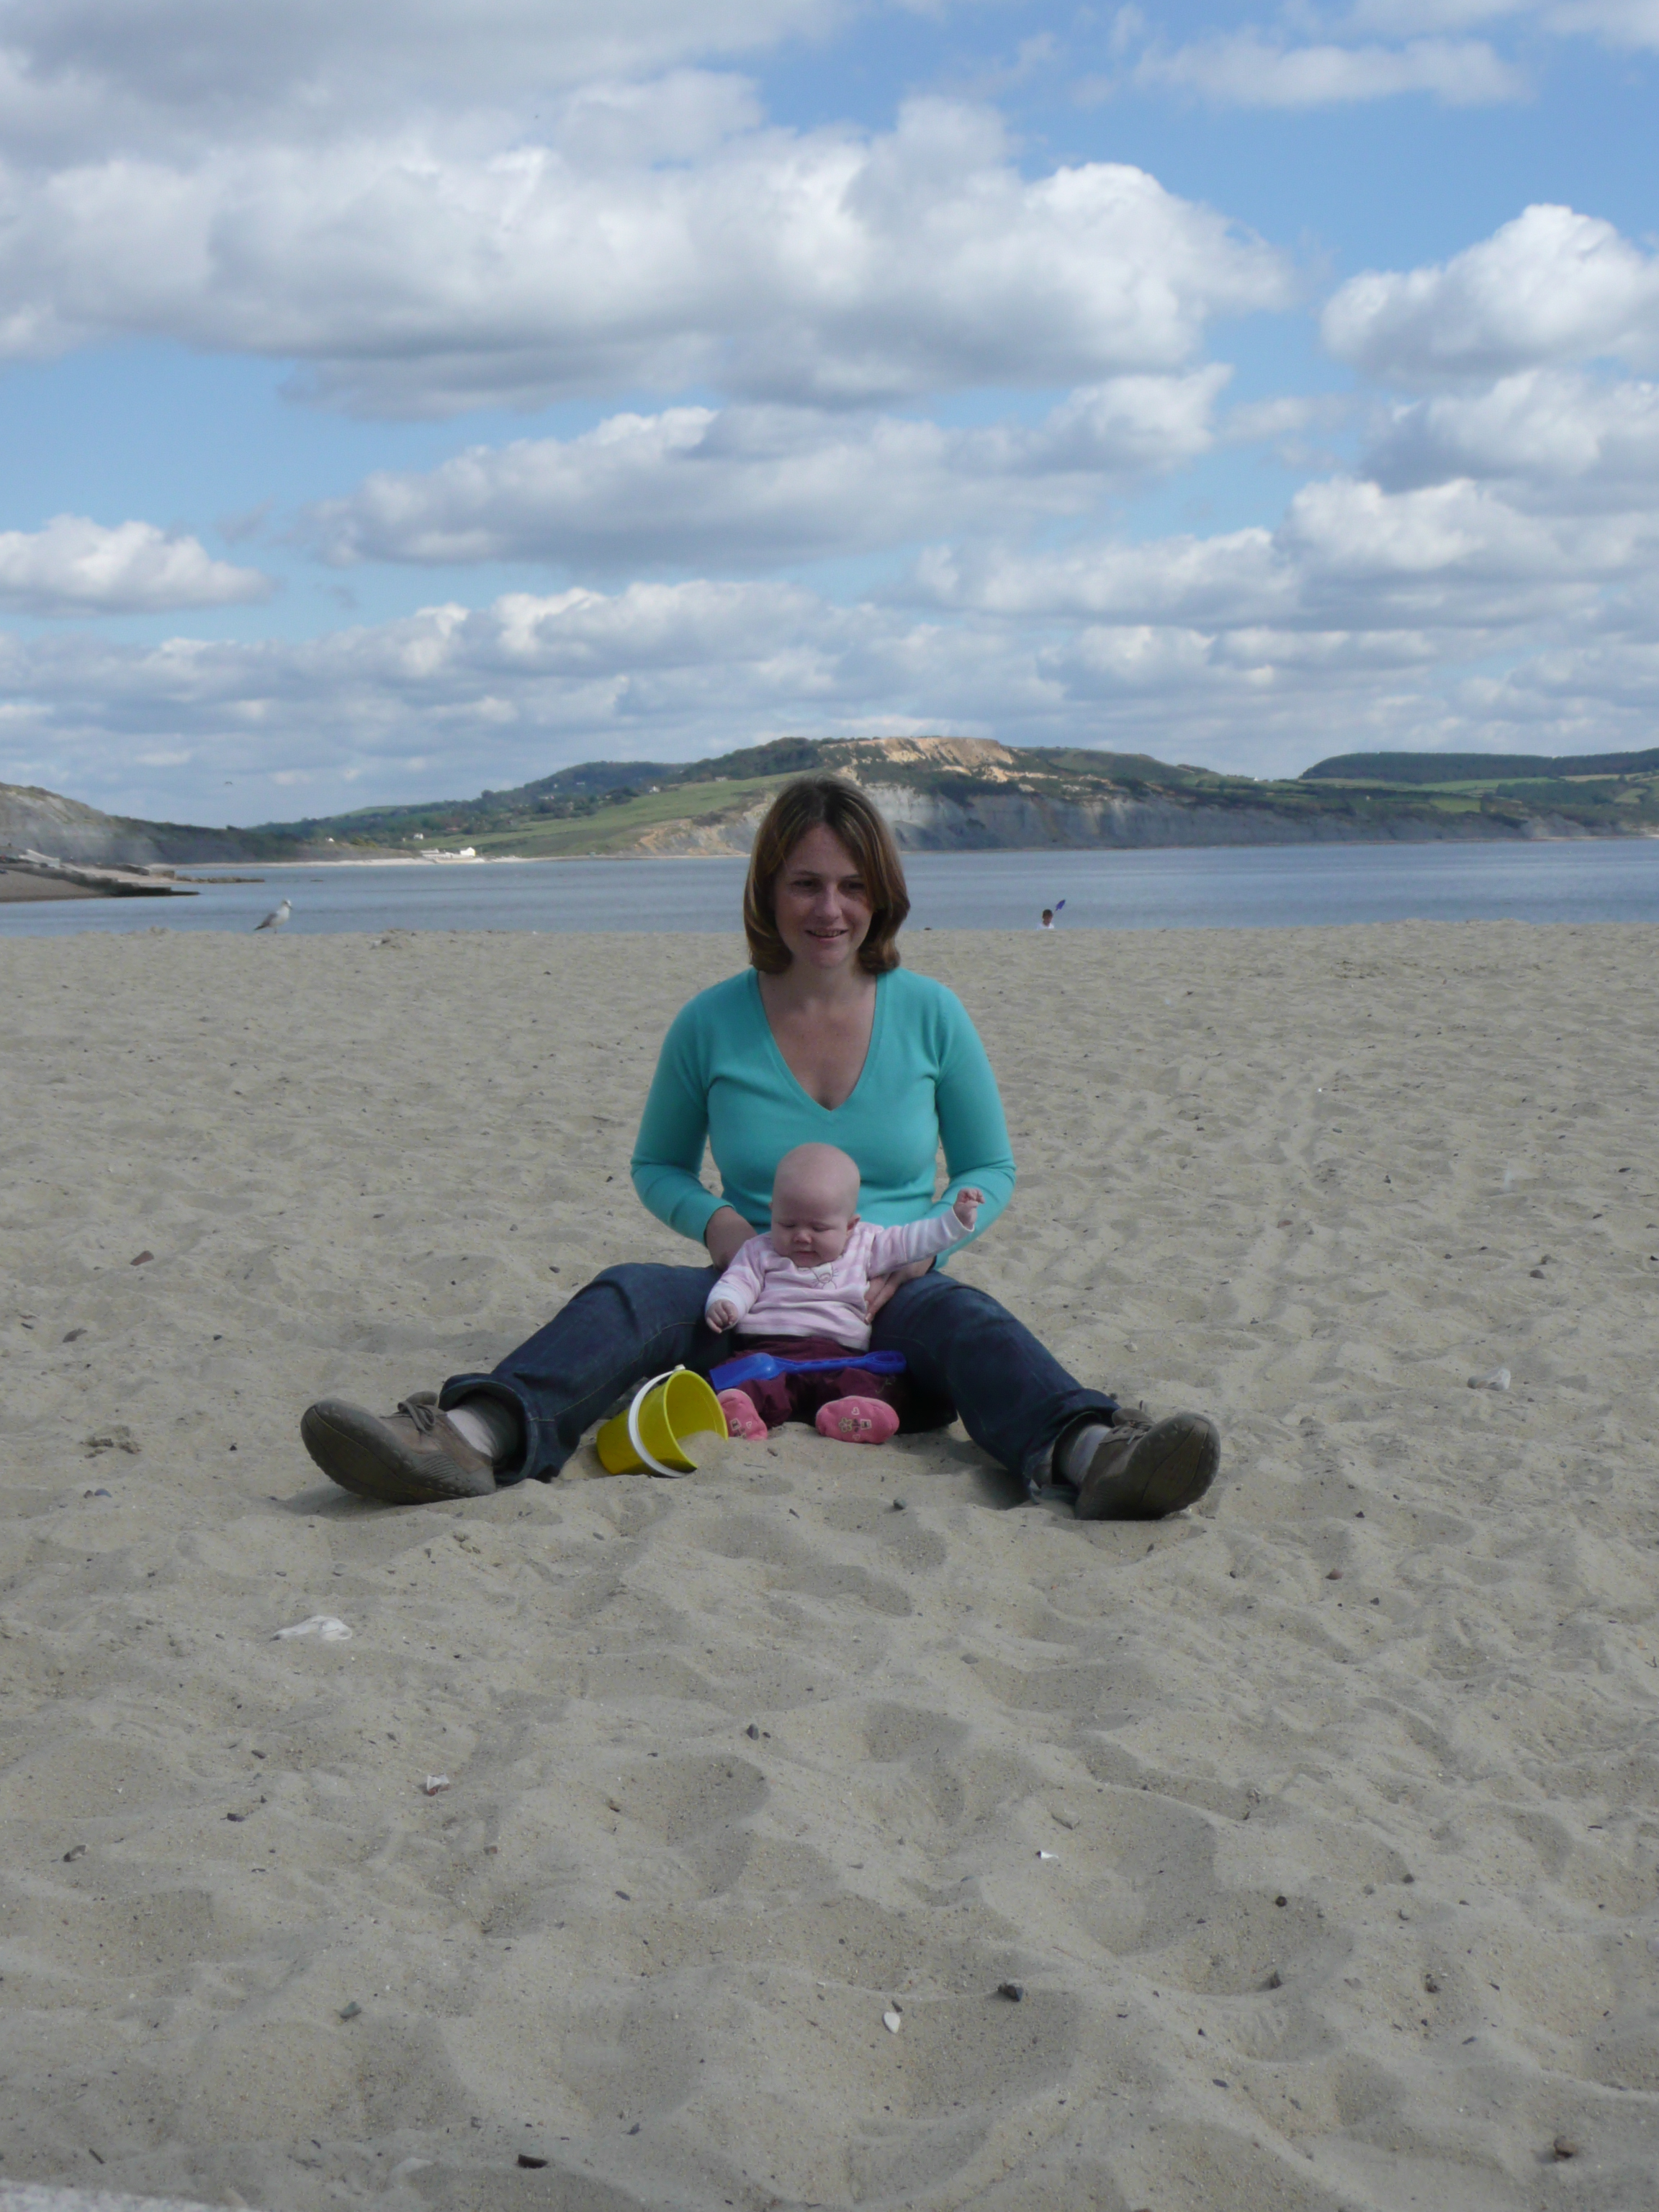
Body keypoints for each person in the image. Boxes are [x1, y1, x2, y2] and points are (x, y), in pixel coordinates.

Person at [299, 775, 1220, 1519]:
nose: (831, 909)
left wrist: (927, 1250)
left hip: (885, 1306)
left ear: (883, 895)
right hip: (743, 1297)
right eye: (807, 883)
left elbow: (991, 1168)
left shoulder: (933, 1015)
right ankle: (468, 1439)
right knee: (626, 1292)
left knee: (973, 1323)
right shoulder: (709, 1022)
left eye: (853, 885)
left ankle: (1095, 1455)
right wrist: (722, 1231)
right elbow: (657, 1167)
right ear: (768, 891)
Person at [706, 1141, 982, 1444]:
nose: (802, 1236)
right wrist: (726, 1303)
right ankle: (740, 1412)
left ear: (850, 1226)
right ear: (773, 1213)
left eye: (819, 1229)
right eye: (787, 1224)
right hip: (770, 1351)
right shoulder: (759, 1250)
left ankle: (852, 1415)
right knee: (744, 1377)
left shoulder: (865, 1245)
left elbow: (913, 1241)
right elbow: (739, 1281)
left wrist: (956, 1220)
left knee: (870, 1383)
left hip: (840, 1355)